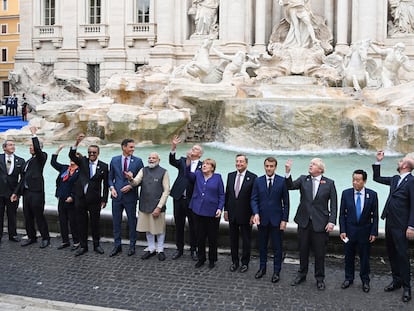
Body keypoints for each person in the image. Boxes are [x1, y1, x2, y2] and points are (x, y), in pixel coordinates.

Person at [285, 158, 337, 290]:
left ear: (320, 169)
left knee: (320, 253)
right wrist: (287, 172)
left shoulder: (329, 183)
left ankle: (320, 278)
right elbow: (290, 186)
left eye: (313, 164)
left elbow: (334, 205)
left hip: (320, 223)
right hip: (304, 222)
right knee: (303, 250)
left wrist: (331, 221)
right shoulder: (303, 179)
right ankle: (301, 274)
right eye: (310, 164)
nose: (310, 166)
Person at [372, 151, 414, 303]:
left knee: (402, 255)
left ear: (405, 165)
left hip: (402, 226)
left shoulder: (412, 181)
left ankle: (407, 287)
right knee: (391, 253)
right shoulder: (396, 179)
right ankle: (396, 281)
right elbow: (377, 178)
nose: (398, 163)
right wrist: (378, 162)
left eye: (400, 161)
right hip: (390, 222)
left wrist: (411, 226)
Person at [69, 133, 109, 256]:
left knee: (95, 223)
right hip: (80, 198)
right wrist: (76, 143)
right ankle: (83, 245)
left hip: (95, 199)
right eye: (90, 152)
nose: (91, 154)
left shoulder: (104, 166)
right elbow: (71, 155)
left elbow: (106, 184)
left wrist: (104, 199)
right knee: (81, 223)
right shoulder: (82, 162)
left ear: (98, 153)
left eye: (94, 153)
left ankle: (96, 245)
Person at [339, 169, 378, 293]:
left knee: (365, 258)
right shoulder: (346, 193)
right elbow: (341, 215)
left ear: (364, 181)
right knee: (348, 257)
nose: (355, 182)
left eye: (358, 180)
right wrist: (342, 230)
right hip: (349, 232)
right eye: (353, 180)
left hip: (365, 232)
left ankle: (365, 281)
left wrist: (373, 232)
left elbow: (375, 216)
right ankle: (348, 278)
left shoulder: (372, 194)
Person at [251, 157, 289, 283]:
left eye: (271, 166)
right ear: (264, 166)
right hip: (262, 220)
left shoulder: (282, 181)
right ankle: (262, 268)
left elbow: (286, 203)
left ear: (275, 167)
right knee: (262, 246)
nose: (269, 168)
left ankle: (276, 271)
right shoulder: (258, 181)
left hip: (277, 220)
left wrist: (284, 220)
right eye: (267, 166)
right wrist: (255, 213)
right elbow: (254, 199)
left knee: (277, 248)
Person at [11, 126, 50, 248]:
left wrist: (34, 135)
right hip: (27, 192)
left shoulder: (42, 157)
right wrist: (16, 193)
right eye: (30, 146)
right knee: (28, 216)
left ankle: (45, 238)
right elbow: (22, 179)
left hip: (36, 192)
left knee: (39, 215)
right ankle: (31, 237)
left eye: (32, 146)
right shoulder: (28, 162)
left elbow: (38, 149)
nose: (30, 147)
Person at [127, 152, 170, 261]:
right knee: (148, 228)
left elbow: (166, 191)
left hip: (157, 206)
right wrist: (131, 179)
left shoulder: (164, 172)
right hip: (144, 204)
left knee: (159, 229)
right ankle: (151, 248)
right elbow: (135, 182)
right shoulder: (143, 170)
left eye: (153, 158)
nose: (151, 159)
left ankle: (160, 249)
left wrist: (159, 206)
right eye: (149, 158)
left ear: (158, 160)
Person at [187, 157, 224, 269]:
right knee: (200, 237)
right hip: (198, 211)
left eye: (207, 164)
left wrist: (219, 208)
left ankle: (212, 259)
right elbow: (188, 175)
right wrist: (188, 162)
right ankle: (201, 258)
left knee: (212, 238)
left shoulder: (218, 178)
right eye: (203, 163)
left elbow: (222, 195)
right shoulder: (197, 174)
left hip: (212, 212)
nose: (204, 165)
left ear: (212, 168)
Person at [108, 138, 143, 257]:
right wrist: (112, 188)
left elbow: (141, 180)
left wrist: (131, 185)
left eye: (133, 147)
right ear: (124, 147)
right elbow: (110, 178)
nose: (133, 149)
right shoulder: (114, 160)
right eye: (131, 147)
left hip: (130, 197)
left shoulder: (138, 161)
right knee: (116, 222)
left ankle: (132, 246)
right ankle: (117, 245)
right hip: (116, 196)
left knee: (132, 222)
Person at [169, 136, 202, 261]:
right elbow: (172, 161)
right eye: (192, 148)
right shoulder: (183, 160)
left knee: (193, 226)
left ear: (200, 154)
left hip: (192, 200)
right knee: (179, 224)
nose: (193, 149)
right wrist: (173, 147)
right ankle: (179, 249)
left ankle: (193, 249)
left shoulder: (202, 166)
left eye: (196, 149)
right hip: (178, 197)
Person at [224, 154, 257, 273]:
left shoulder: (253, 177)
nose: (239, 163)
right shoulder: (230, 175)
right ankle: (235, 261)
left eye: (241, 162)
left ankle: (245, 263)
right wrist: (226, 210)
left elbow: (254, 197)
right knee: (233, 240)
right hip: (232, 213)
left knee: (246, 240)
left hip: (246, 215)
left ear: (246, 163)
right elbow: (227, 194)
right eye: (237, 161)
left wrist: (254, 214)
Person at [50, 144, 80, 250]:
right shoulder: (64, 168)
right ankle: (65, 241)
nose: (72, 160)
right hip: (62, 198)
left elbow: (79, 187)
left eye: (75, 157)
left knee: (73, 221)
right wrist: (58, 149)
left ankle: (76, 241)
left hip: (72, 200)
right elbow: (53, 162)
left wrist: (72, 196)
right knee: (62, 220)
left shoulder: (80, 171)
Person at [0, 140, 25, 243]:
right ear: (4, 148)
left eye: (14, 145)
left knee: (12, 215)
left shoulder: (20, 160)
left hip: (13, 193)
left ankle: (13, 235)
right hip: (0, 192)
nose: (13, 146)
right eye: (10, 145)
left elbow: (23, 179)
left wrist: (17, 192)